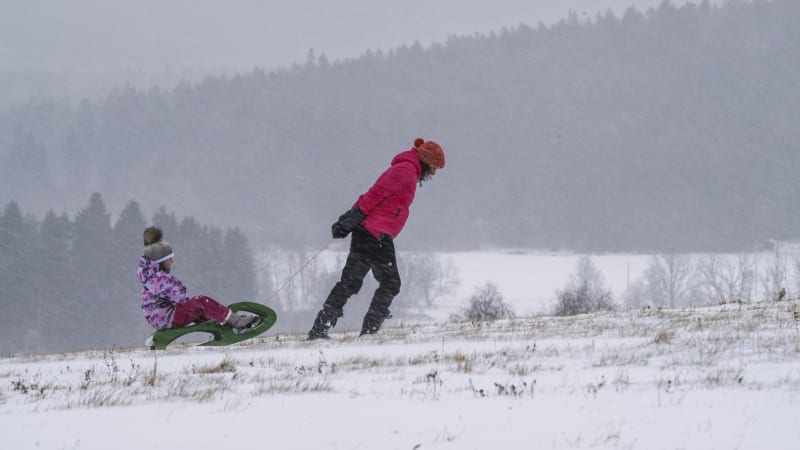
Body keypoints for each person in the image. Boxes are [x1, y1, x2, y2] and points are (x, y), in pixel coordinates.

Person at [308, 137, 446, 339]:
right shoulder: (405, 171)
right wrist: (350, 220)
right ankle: (369, 333)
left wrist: (351, 218)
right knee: (390, 284)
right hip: (376, 234)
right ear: (426, 161)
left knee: (350, 282)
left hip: (369, 232)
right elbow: (375, 194)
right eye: (433, 168)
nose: (432, 175)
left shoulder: (407, 169)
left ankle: (320, 329)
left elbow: (373, 194)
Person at [137, 226, 258, 331]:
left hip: (161, 318)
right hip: (167, 318)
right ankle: (237, 322)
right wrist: (190, 301)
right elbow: (178, 298)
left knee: (198, 306)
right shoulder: (159, 279)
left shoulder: (151, 277)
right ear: (160, 260)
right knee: (201, 301)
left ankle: (222, 322)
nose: (172, 261)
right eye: (169, 258)